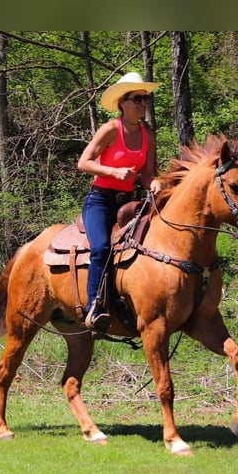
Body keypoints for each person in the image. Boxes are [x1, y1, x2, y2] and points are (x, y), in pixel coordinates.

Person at [77, 71, 162, 332]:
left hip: (128, 203)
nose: (143, 104)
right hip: (99, 201)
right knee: (101, 248)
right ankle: (94, 307)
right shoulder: (110, 129)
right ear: (122, 103)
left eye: (145, 99)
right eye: (137, 99)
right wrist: (113, 172)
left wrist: (155, 183)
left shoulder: (148, 135)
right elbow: (83, 163)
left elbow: (146, 175)